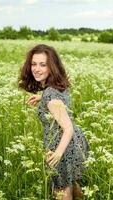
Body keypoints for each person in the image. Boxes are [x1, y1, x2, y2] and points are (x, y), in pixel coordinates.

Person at [18, 44, 90, 200]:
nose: (36, 69)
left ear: (52, 67)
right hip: (75, 142)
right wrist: (42, 98)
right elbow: (56, 100)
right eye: (34, 64)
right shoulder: (57, 85)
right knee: (71, 182)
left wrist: (57, 154)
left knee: (61, 190)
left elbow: (68, 128)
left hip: (61, 145)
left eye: (43, 65)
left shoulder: (51, 96)